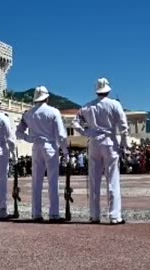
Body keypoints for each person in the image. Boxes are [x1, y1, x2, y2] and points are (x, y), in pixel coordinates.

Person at [72, 77, 128, 225]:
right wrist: (124, 144)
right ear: (108, 90)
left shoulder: (87, 107)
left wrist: (86, 132)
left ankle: (94, 215)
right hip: (110, 142)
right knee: (113, 180)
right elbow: (123, 126)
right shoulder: (115, 104)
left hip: (94, 143)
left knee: (94, 181)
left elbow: (75, 122)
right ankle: (115, 216)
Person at [16, 86, 69, 222]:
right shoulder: (53, 112)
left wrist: (30, 138)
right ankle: (54, 214)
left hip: (36, 147)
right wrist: (65, 151)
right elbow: (61, 135)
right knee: (53, 181)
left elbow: (18, 133)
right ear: (47, 97)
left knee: (36, 181)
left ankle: (36, 213)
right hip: (50, 146)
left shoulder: (28, 114)